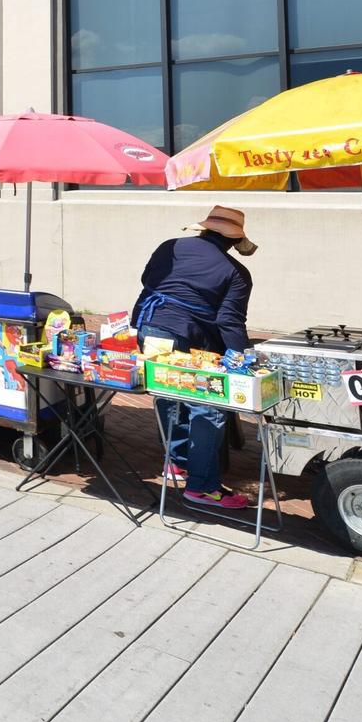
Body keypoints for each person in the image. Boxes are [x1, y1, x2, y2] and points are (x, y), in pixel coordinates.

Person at [131, 206, 258, 511]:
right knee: (207, 408)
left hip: (150, 329)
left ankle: (176, 463)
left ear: (203, 229)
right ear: (232, 241)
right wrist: (243, 359)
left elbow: (147, 278)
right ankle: (202, 487)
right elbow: (229, 322)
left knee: (167, 394)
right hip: (186, 337)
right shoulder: (236, 273)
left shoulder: (169, 247)